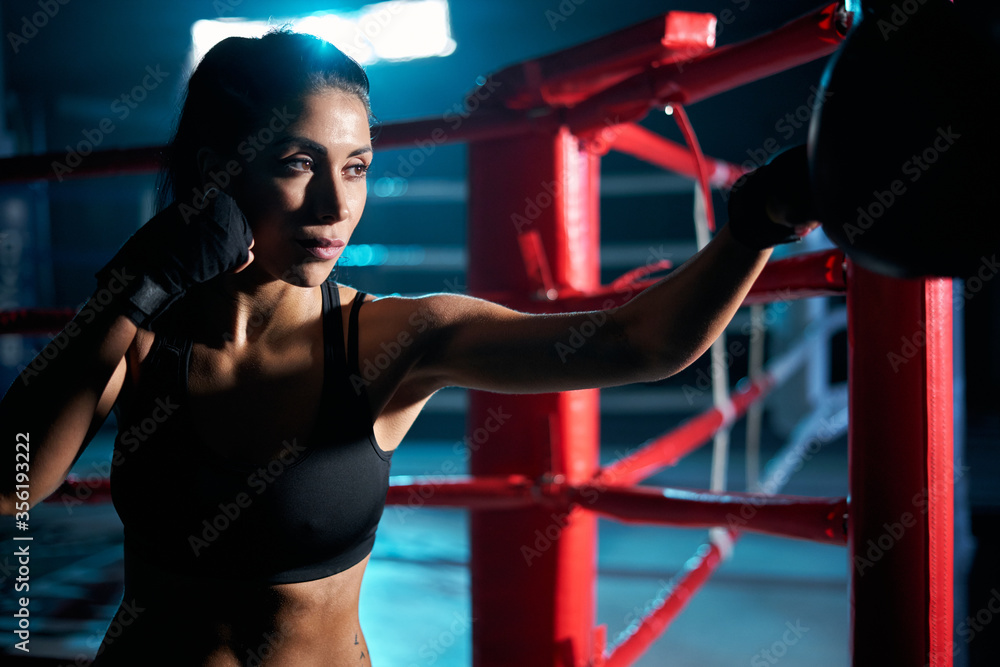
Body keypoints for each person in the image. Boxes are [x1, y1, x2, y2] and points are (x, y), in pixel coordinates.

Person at [0, 30, 816, 666]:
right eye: (296, 163)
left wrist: (756, 223)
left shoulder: (388, 340)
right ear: (220, 171)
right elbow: (11, 483)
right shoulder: (140, 334)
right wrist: (132, 287)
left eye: (355, 168)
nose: (333, 204)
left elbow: (641, 341)